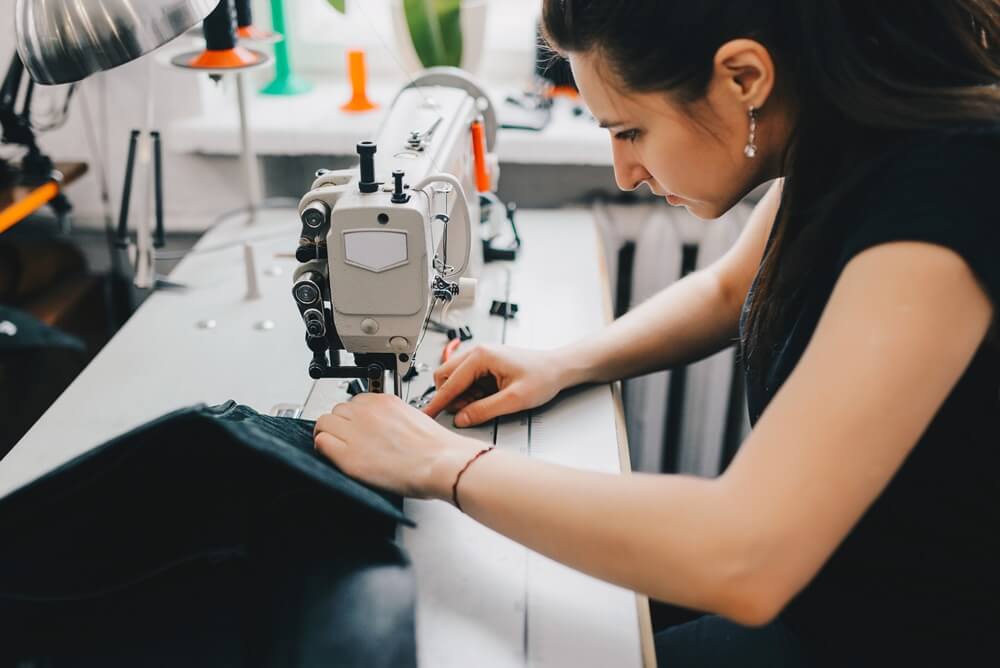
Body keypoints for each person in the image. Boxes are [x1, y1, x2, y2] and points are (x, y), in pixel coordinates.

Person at [313, 1, 1000, 665]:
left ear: (743, 79)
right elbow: (731, 289)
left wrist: (442, 464)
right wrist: (563, 362)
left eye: (630, 130)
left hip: (891, 638)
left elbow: (746, 556)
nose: (624, 172)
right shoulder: (843, 126)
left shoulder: (949, 191)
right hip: (831, 596)